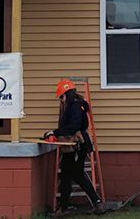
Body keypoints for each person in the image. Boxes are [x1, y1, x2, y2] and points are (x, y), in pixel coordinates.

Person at [43, 79, 104, 215]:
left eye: (61, 97)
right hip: (73, 146)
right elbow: (68, 126)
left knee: (75, 174)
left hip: (77, 145)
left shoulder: (75, 106)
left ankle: (95, 203)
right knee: (67, 174)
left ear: (67, 94)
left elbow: (74, 126)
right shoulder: (74, 105)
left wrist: (55, 132)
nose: (61, 100)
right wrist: (54, 132)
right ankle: (66, 207)